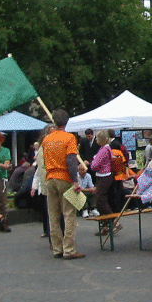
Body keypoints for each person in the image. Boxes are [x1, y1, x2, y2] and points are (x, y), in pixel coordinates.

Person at [43, 109, 85, 259]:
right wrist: (75, 181)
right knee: (69, 215)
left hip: (50, 178)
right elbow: (71, 161)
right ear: (66, 121)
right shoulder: (69, 138)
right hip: (64, 178)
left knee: (53, 216)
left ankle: (57, 249)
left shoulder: (46, 139)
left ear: (54, 121)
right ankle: (69, 249)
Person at [90, 130, 115, 236]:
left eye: (97, 138)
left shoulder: (104, 150)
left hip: (104, 175)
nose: (96, 140)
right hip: (103, 175)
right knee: (102, 199)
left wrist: (92, 162)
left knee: (100, 199)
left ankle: (112, 220)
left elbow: (94, 165)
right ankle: (105, 225)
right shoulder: (105, 149)